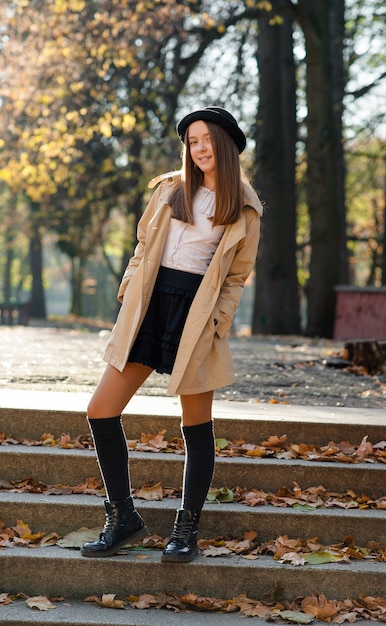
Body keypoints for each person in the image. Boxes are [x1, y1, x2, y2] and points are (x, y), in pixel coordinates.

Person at [81, 105, 263, 563]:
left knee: (196, 425)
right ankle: (123, 519)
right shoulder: (170, 190)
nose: (199, 148)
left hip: (197, 313)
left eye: (206, 140)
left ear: (225, 145)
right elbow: (144, 244)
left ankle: (186, 530)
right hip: (149, 304)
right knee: (101, 411)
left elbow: (238, 276)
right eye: (192, 141)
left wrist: (218, 322)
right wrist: (127, 291)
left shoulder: (244, 207)